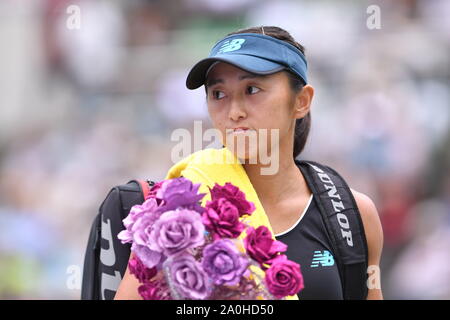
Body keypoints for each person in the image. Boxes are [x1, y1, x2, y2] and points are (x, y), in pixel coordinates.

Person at [114, 25, 384, 300]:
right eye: (218, 94)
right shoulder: (178, 215)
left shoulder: (353, 214)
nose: (234, 112)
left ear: (301, 101)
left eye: (252, 89)